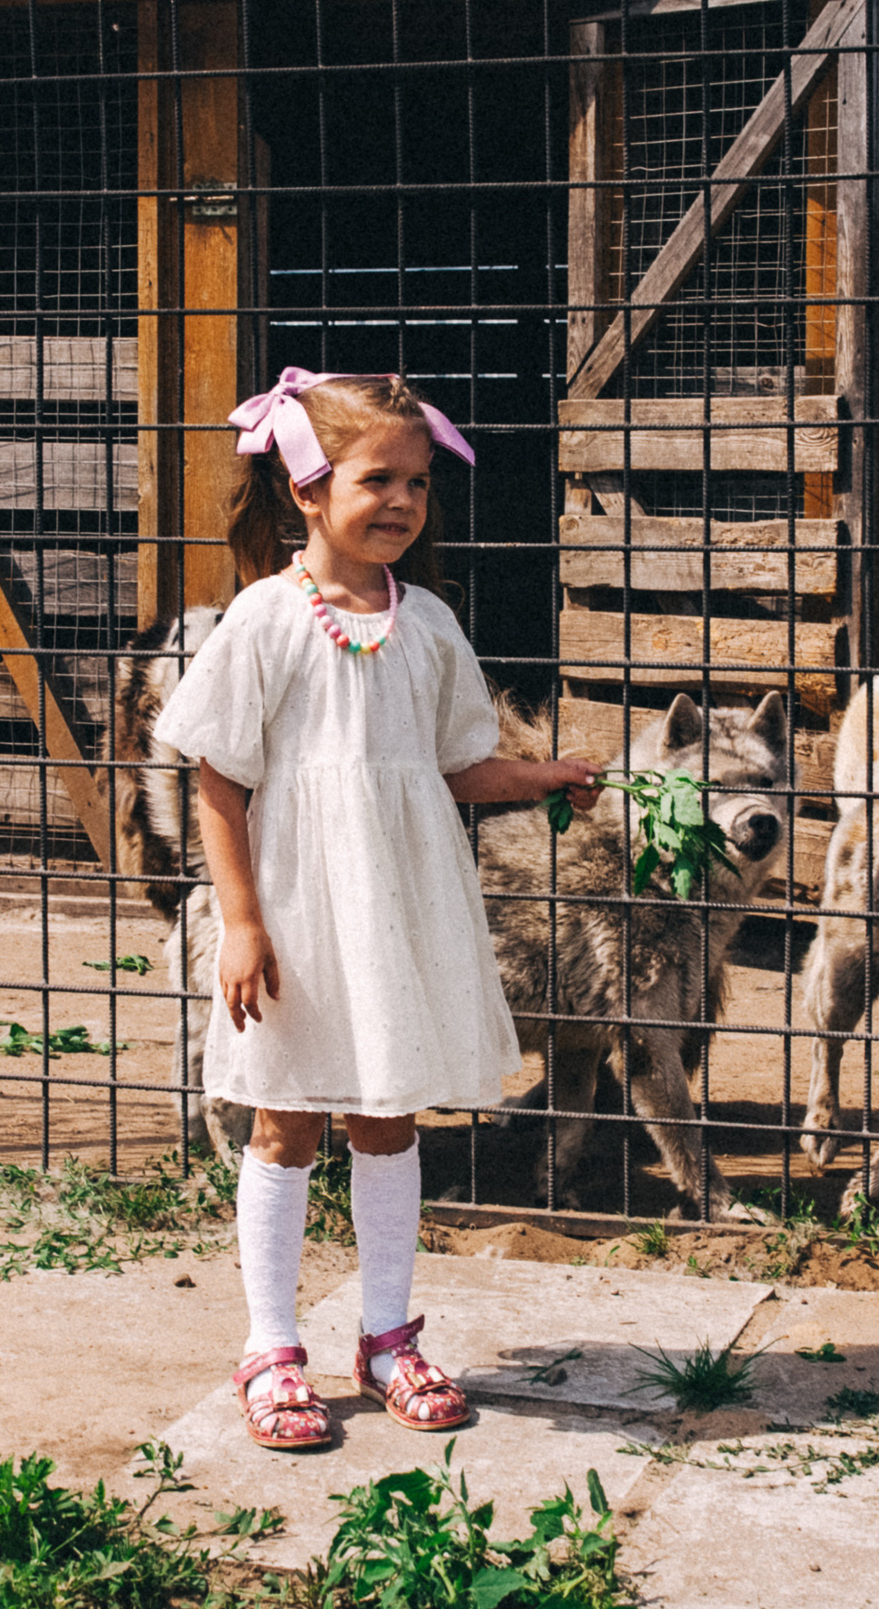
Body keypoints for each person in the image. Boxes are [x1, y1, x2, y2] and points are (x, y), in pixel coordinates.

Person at [153, 368, 600, 1449]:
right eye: (376, 478)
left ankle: (389, 1335)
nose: (401, 501)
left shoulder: (430, 623)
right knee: (286, 1117)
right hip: (301, 912)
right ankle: (271, 1345)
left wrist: (538, 779)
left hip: (397, 909)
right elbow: (217, 777)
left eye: (418, 483)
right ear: (308, 489)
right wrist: (244, 921)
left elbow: (452, 766)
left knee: (388, 1113)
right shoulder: (264, 621)